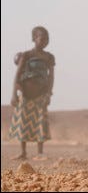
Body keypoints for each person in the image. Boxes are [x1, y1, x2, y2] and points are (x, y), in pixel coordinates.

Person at [9, 26, 55, 161]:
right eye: (42, 38)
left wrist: (49, 94)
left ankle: (40, 153)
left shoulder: (49, 57)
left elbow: (51, 77)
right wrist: (13, 94)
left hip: (41, 94)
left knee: (40, 122)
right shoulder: (26, 55)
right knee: (23, 122)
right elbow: (17, 74)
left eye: (47, 39)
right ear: (34, 38)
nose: (45, 41)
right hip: (25, 93)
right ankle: (23, 152)